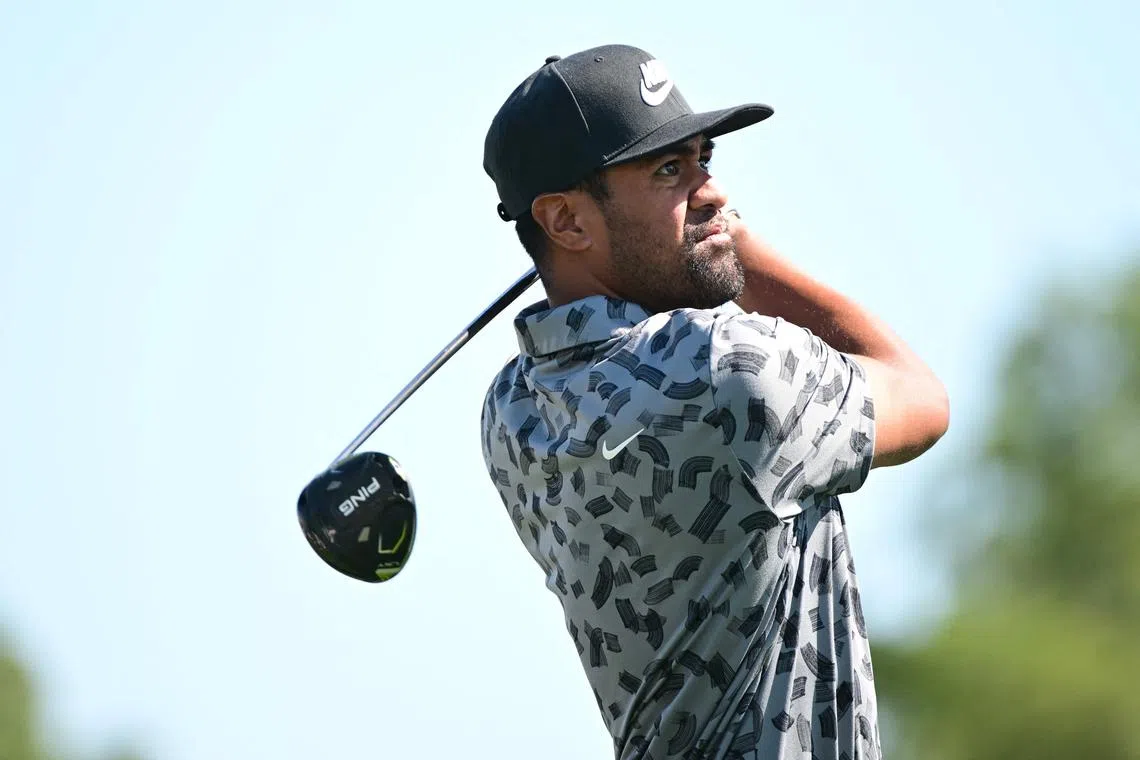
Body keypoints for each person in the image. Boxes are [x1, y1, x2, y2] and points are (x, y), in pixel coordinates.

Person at [479, 44, 949, 760]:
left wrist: (694, 234)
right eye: (669, 171)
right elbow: (921, 396)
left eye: (704, 158)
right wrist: (735, 247)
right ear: (567, 222)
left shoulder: (510, 413)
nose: (713, 191)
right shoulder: (725, 365)